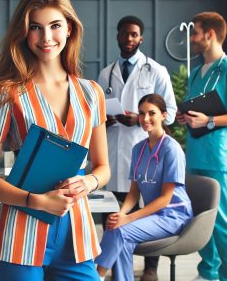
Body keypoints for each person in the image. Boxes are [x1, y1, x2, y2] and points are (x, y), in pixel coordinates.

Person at [0, 0, 110, 280]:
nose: (46, 37)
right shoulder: (7, 93)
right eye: (35, 27)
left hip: (76, 235)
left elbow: (103, 168)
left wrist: (88, 181)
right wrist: (35, 200)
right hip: (19, 234)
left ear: (70, 29)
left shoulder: (92, 94)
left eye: (55, 26)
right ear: (24, 33)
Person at [176, 12, 227, 281]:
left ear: (210, 35)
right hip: (196, 155)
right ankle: (208, 273)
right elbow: (198, 113)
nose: (192, 38)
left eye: (195, 33)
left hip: (219, 159)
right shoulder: (197, 73)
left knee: (223, 222)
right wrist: (186, 117)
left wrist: (210, 119)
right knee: (202, 218)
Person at [96, 15, 177, 281]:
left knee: (147, 202)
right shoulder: (105, 73)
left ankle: (150, 268)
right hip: (115, 148)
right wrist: (105, 119)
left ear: (141, 38)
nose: (129, 39)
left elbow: (172, 112)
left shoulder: (156, 70)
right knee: (114, 208)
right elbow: (96, 112)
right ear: (117, 36)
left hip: (146, 148)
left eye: (134, 35)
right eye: (124, 34)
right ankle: (119, 267)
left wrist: (138, 119)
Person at [95, 93, 193, 281]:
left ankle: (96, 275)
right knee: (119, 233)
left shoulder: (172, 149)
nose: (145, 119)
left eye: (152, 113)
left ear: (163, 115)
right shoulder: (138, 149)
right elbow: (133, 192)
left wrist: (128, 219)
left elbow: (165, 199)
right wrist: (121, 215)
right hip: (153, 215)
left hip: (173, 215)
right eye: (141, 113)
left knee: (119, 230)